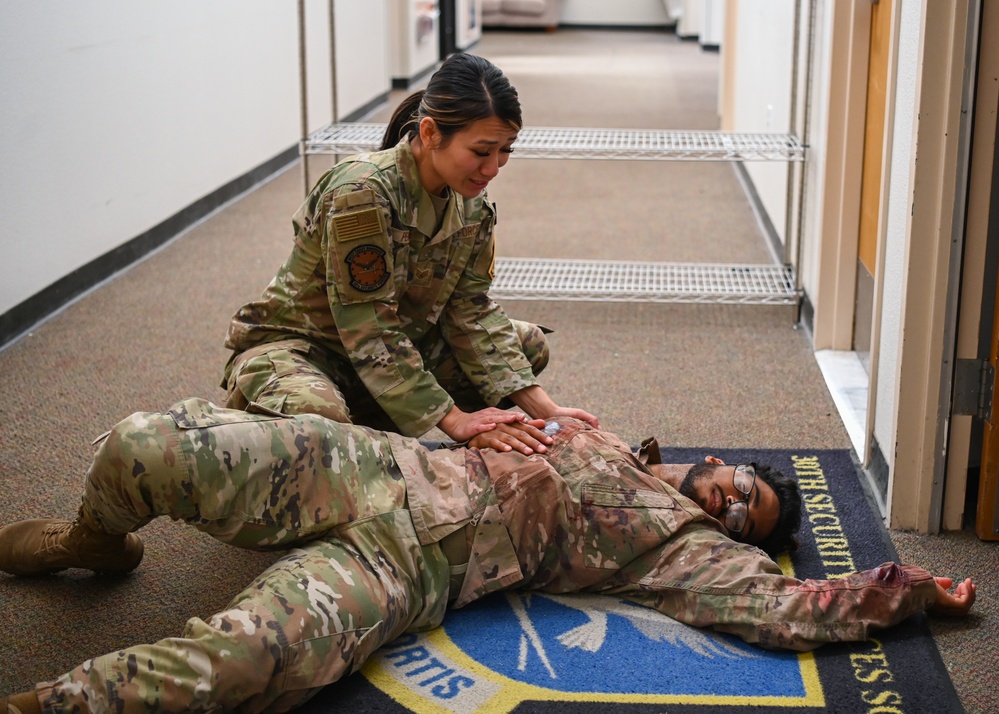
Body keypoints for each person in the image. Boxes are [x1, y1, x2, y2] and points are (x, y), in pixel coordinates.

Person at [0, 399, 975, 714]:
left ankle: (47, 702)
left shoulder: (680, 551)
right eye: (738, 490)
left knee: (250, 662)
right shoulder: (596, 431)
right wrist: (508, 409)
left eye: (743, 520)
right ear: (716, 461)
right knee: (145, 447)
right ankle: (93, 543)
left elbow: (786, 614)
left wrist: (908, 590)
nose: (727, 507)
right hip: (371, 473)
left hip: (403, 572)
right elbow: (487, 377)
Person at [220, 52, 596, 454]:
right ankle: (286, 414)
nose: (494, 167)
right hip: (307, 351)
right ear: (431, 133)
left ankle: (368, 427)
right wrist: (456, 420)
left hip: (383, 351)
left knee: (526, 344)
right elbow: (368, 326)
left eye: (507, 149)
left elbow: (469, 309)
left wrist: (547, 408)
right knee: (317, 421)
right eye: (482, 151)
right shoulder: (361, 193)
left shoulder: (471, 205)